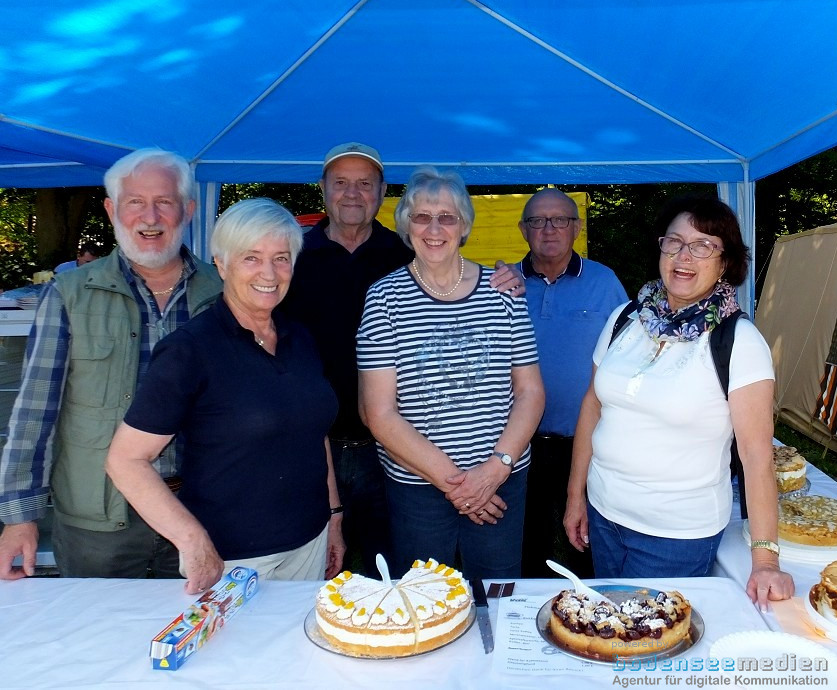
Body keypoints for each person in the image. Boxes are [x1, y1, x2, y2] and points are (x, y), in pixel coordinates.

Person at [277, 143, 521, 578]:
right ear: (322, 189)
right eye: (341, 183)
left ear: (382, 192)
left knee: (391, 573)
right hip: (315, 444)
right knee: (312, 568)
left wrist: (506, 275)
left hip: (392, 451)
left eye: (365, 184)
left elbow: (463, 282)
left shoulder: (403, 252)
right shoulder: (290, 259)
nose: (352, 193)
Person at [563, 193, 794, 608]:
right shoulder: (624, 318)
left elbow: (757, 455)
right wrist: (575, 496)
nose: (684, 256)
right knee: (608, 632)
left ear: (725, 262)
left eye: (703, 245)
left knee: (649, 655)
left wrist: (765, 559)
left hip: (675, 536)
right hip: (604, 516)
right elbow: (592, 407)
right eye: (675, 242)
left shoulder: (738, 342)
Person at [0, 149, 222, 580]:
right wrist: (19, 517)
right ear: (111, 209)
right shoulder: (69, 294)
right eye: (135, 201)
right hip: (98, 524)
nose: (150, 216)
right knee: (92, 642)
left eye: (165, 202)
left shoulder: (223, 293)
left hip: (202, 512)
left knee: (202, 639)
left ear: (188, 210)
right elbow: (33, 415)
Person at [106, 199, 343, 593]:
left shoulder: (298, 336)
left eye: (281, 258)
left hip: (310, 544)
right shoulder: (190, 350)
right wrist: (192, 540)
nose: (269, 273)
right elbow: (125, 459)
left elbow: (314, 432)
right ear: (222, 263)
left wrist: (334, 517)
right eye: (252, 257)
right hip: (234, 560)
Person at [358, 166, 544, 579]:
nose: (434, 228)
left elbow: (530, 392)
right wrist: (459, 485)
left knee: (497, 595)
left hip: (501, 477)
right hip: (418, 485)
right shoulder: (384, 297)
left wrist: (495, 470)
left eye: (447, 217)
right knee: (425, 599)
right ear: (406, 225)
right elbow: (379, 413)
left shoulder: (504, 293)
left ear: (464, 226)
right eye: (422, 216)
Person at [515, 188, 627, 578]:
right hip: (519, 441)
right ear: (522, 229)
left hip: (585, 440)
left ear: (576, 228)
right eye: (537, 221)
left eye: (560, 219)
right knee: (525, 543)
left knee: (587, 540)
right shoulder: (503, 285)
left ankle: (592, 612)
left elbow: (625, 356)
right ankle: (526, 616)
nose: (548, 229)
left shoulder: (604, 282)